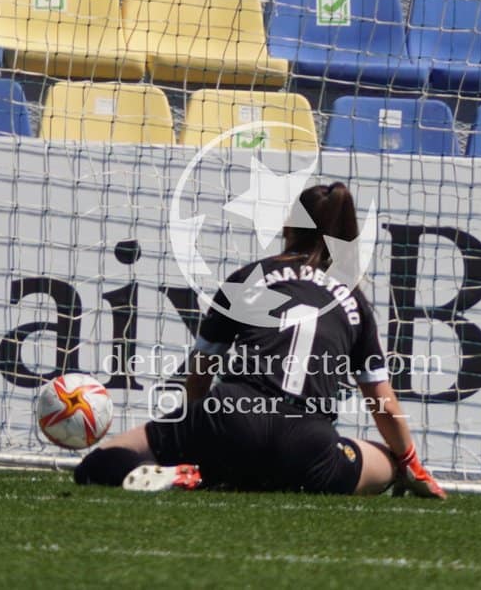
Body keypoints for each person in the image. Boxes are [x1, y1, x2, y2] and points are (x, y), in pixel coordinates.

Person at [74, 182, 445, 499]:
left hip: (232, 414)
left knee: (100, 462)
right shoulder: (353, 301)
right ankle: (250, 472)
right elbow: (381, 400)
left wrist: (194, 434)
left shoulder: (248, 277)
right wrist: (410, 462)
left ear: (289, 227)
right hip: (307, 440)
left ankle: (189, 472)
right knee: (387, 462)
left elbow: (200, 373)